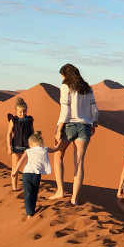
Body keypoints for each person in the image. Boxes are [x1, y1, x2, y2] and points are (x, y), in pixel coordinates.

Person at [50, 63, 99, 205]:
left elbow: (65, 111)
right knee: (79, 163)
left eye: (62, 76)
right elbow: (94, 110)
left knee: (58, 155)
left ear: (65, 75)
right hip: (85, 127)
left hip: (68, 125)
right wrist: (94, 123)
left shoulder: (66, 87)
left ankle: (60, 191)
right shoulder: (88, 89)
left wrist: (59, 130)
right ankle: (74, 198)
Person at [11, 131, 58, 220]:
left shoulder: (28, 151)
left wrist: (15, 171)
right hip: (36, 176)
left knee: (28, 194)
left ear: (31, 143)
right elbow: (55, 149)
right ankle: (32, 210)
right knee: (34, 193)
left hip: (27, 175)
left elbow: (20, 161)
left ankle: (29, 213)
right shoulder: (45, 149)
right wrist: (60, 143)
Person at [6, 97, 34, 191]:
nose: (22, 114)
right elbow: (9, 134)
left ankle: (29, 186)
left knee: (30, 167)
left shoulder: (29, 120)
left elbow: (33, 133)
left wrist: (34, 145)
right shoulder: (13, 120)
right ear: (16, 111)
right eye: (20, 112)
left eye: (24, 111)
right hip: (16, 147)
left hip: (28, 147)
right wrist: (9, 148)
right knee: (15, 168)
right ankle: (14, 187)